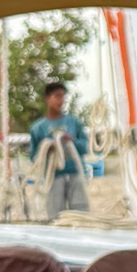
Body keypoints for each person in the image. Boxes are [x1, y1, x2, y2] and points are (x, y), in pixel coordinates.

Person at [28, 80, 90, 221]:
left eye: (63, 97)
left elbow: (85, 146)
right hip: (53, 177)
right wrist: (48, 149)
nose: (61, 101)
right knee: (55, 215)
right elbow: (34, 157)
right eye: (57, 96)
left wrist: (72, 142)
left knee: (81, 214)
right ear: (47, 98)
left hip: (75, 173)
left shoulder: (74, 122)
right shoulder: (38, 128)